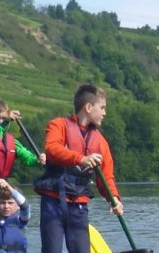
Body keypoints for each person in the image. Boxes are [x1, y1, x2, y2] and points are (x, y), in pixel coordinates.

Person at [33, 84, 124, 253]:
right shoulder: (58, 125)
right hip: (54, 202)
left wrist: (114, 198)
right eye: (102, 108)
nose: (105, 113)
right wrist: (80, 159)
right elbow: (52, 149)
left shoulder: (101, 142)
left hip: (79, 207)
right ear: (88, 107)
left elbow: (106, 176)